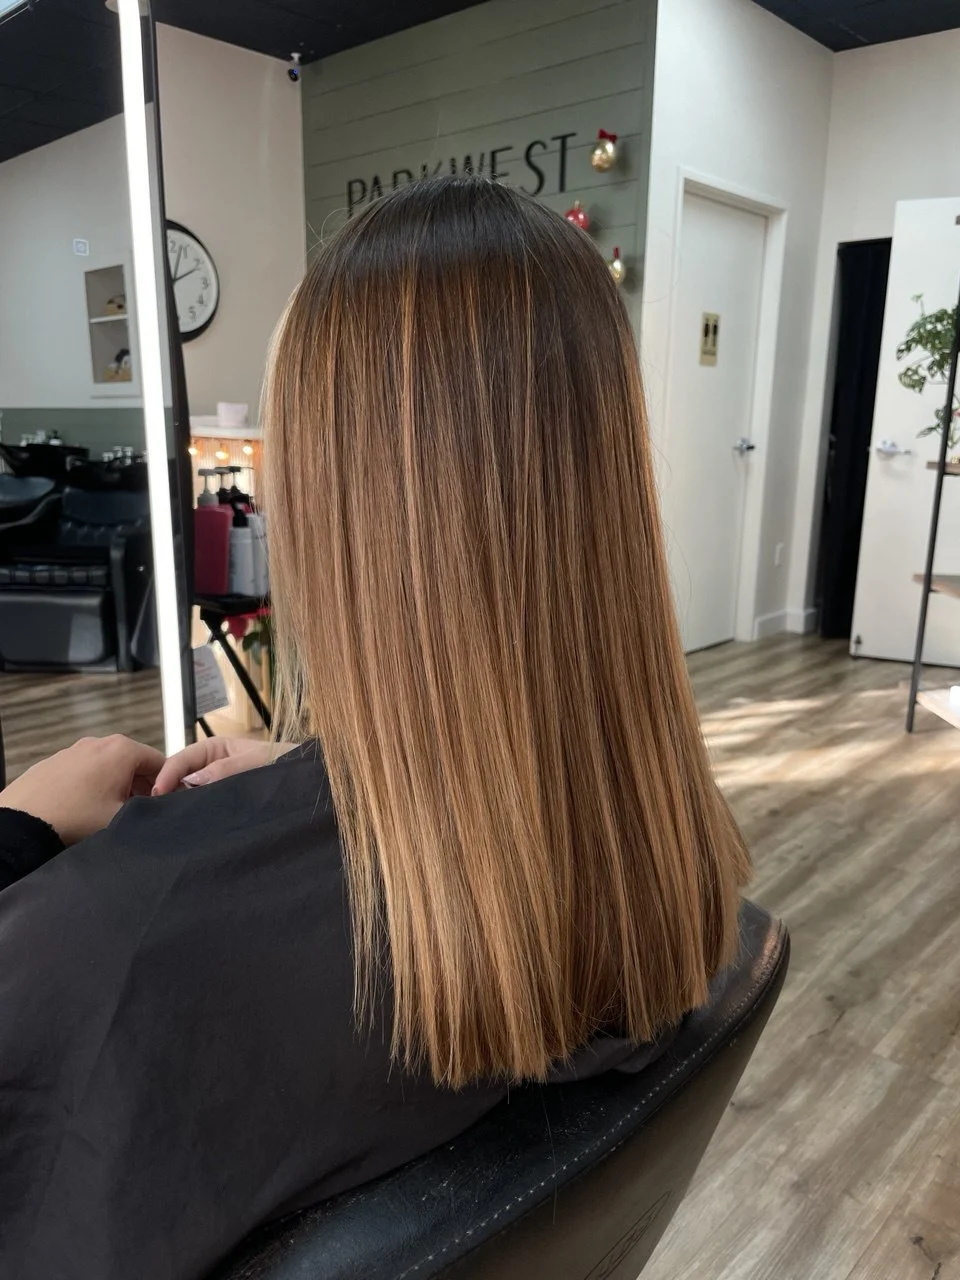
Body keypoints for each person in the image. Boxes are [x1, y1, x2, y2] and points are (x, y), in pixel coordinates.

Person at [0, 176, 750, 1280]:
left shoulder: (120, 936)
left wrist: (18, 830)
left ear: (327, 502)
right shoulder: (659, 852)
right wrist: (344, 776)